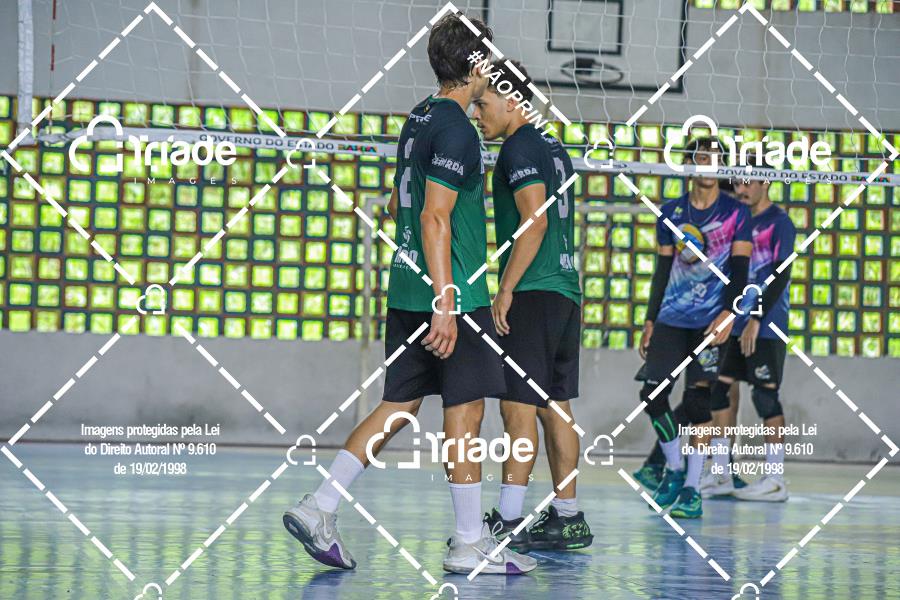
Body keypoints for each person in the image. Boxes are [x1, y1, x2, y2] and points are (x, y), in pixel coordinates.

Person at [282, 14, 536, 575]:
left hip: (406, 286)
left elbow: (403, 203)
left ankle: (320, 505)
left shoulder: (418, 117)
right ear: (476, 64)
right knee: (465, 412)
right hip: (453, 292)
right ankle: (468, 543)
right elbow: (432, 217)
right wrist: (446, 300)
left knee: (399, 405)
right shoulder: (457, 130)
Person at [471, 60, 592, 552]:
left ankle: (508, 519)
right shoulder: (552, 146)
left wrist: (506, 288)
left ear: (511, 101)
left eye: (483, 103)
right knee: (556, 406)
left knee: (517, 406)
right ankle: (569, 517)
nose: (476, 113)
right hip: (565, 290)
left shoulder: (519, 146)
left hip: (534, 291)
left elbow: (535, 219)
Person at [637, 136, 752, 519]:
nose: (708, 163)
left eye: (715, 158)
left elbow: (740, 271)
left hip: (709, 323)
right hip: (671, 319)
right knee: (652, 395)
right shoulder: (670, 212)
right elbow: (662, 270)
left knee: (699, 402)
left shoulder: (737, 213)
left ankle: (692, 489)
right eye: (702, 157)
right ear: (689, 164)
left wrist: (729, 314)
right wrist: (650, 319)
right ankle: (673, 468)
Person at [701, 167, 796, 502]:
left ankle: (775, 480)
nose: (741, 189)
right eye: (738, 182)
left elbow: (781, 274)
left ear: (764, 183)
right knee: (719, 392)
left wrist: (757, 316)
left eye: (747, 182)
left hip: (766, 326)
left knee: (765, 397)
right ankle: (721, 474)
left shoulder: (780, 222)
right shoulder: (737, 221)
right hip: (735, 324)